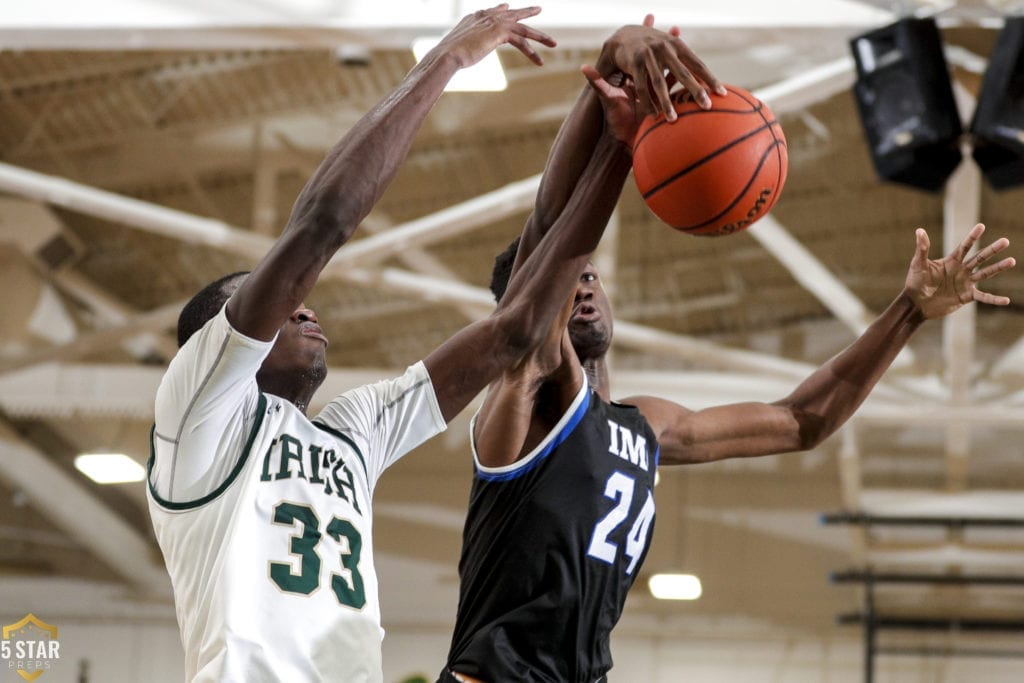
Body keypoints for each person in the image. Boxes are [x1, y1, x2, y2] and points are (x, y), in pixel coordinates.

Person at [146, 6, 720, 682]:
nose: (302, 309)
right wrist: (446, 59)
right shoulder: (201, 416)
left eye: (301, 303)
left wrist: (619, 144)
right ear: (212, 351)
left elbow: (515, 328)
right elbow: (322, 224)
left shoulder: (350, 432)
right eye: (275, 307)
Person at [440, 34, 1018, 683]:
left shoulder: (646, 428)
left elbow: (802, 421)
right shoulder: (529, 391)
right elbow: (550, 226)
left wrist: (909, 310)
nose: (581, 286)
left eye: (591, 278)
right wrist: (609, 86)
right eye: (566, 281)